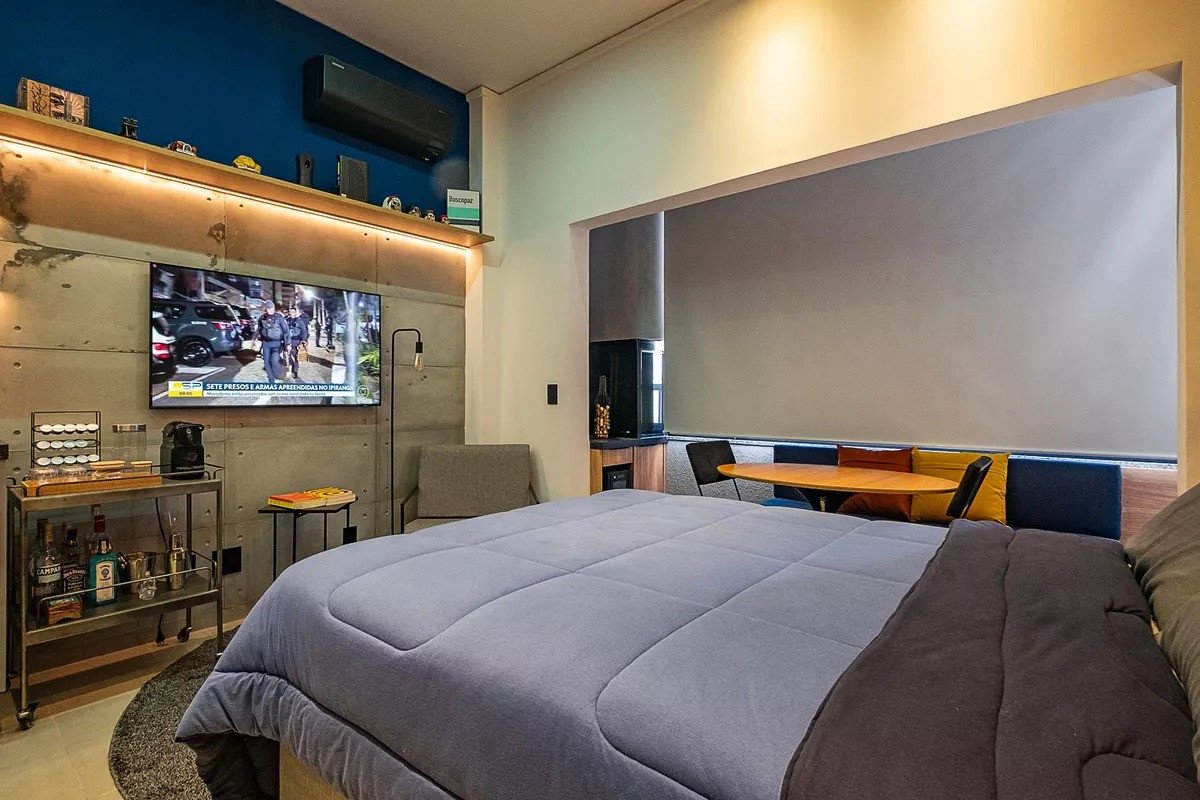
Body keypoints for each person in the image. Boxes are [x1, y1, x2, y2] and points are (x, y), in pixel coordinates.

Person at [256, 301, 289, 384]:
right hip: (266, 343)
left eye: (272, 308)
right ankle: (271, 380)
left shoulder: (279, 317)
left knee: (274, 361)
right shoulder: (262, 318)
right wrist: (253, 338)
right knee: (266, 362)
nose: (270, 310)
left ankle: (282, 372)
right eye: (268, 308)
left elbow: (286, 331)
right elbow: (259, 329)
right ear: (266, 309)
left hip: (276, 343)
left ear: (274, 308)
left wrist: (288, 343)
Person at [285, 306, 309, 381]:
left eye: (293, 312)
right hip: (288, 341)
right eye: (290, 312)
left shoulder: (299, 321)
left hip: (296, 341)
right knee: (288, 356)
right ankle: (289, 367)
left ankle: (295, 371)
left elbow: (304, 331)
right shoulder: (286, 320)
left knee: (295, 357)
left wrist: (304, 340)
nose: (291, 313)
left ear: (295, 313)